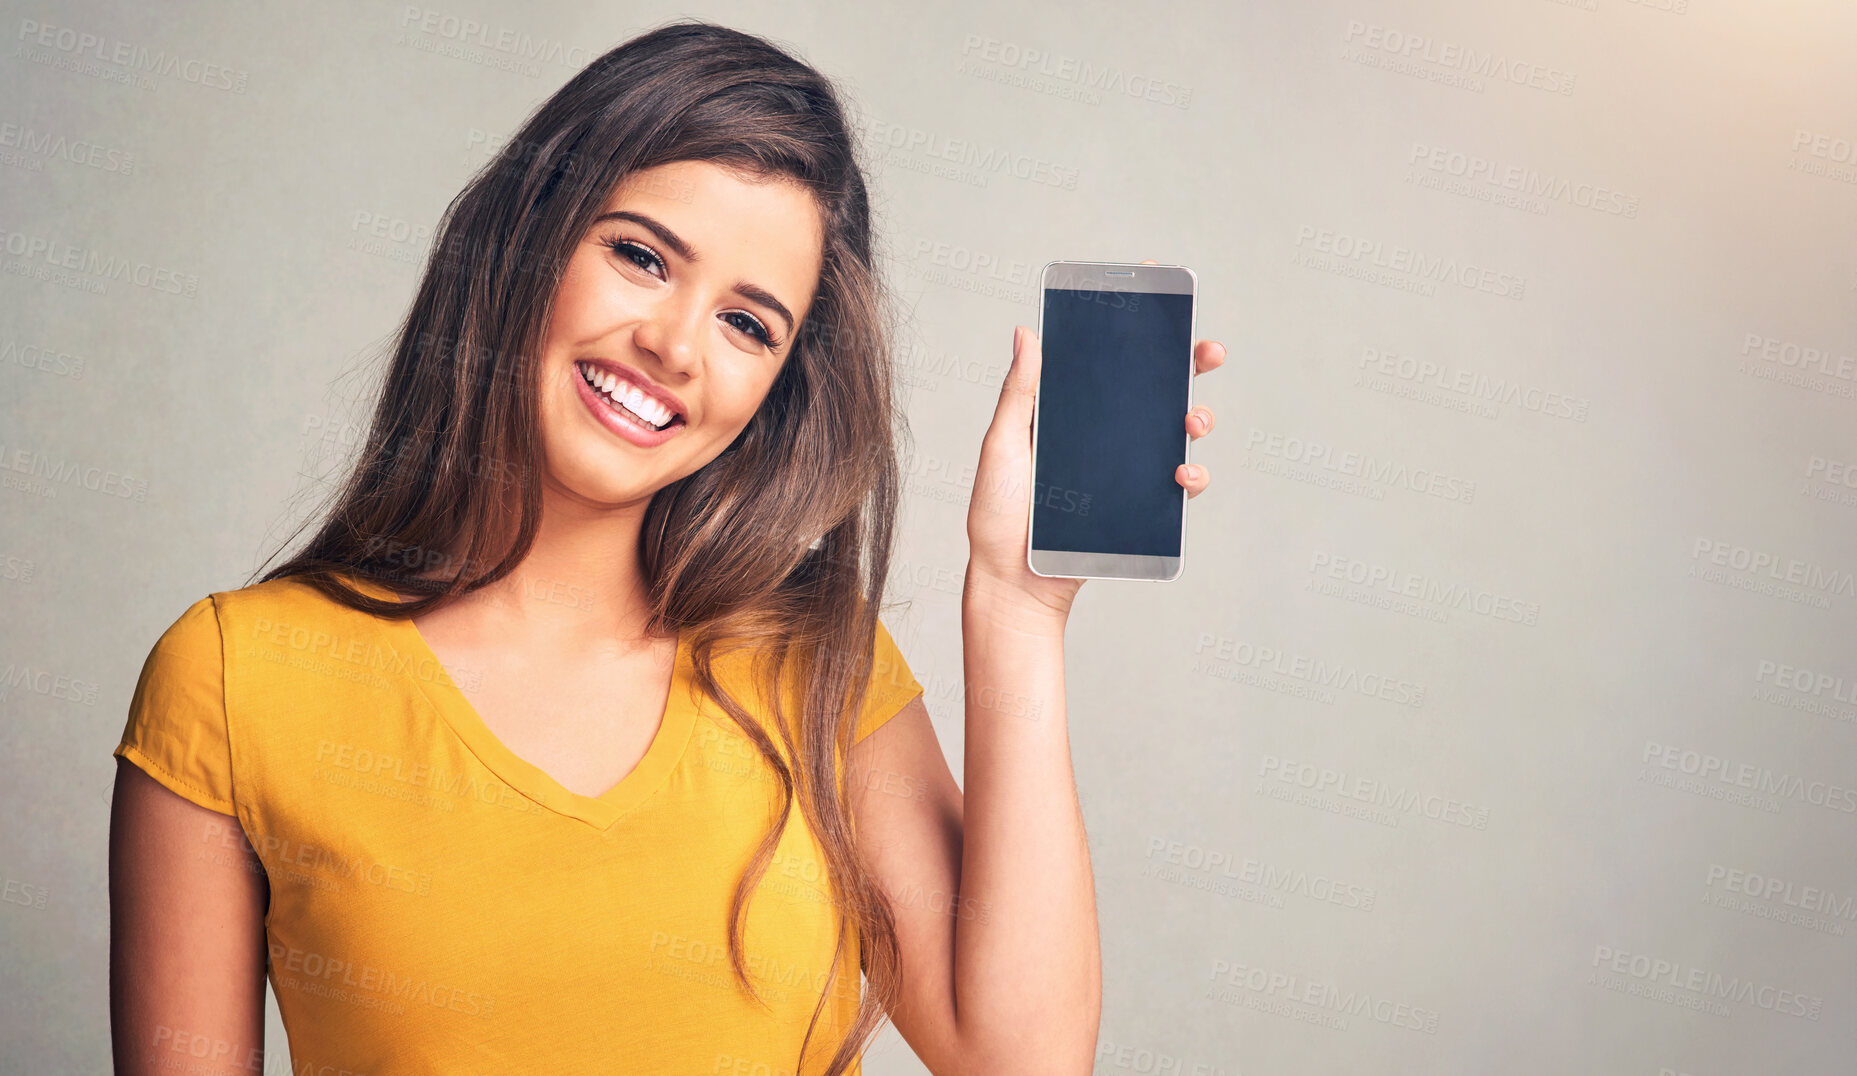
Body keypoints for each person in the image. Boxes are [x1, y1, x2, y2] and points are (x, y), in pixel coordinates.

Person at [107, 18, 1224, 1076]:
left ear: (779, 386)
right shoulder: (235, 678)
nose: (674, 344)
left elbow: (1020, 1057)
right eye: (641, 256)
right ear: (528, 239)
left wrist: (1018, 608)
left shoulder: (821, 674)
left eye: (749, 323)